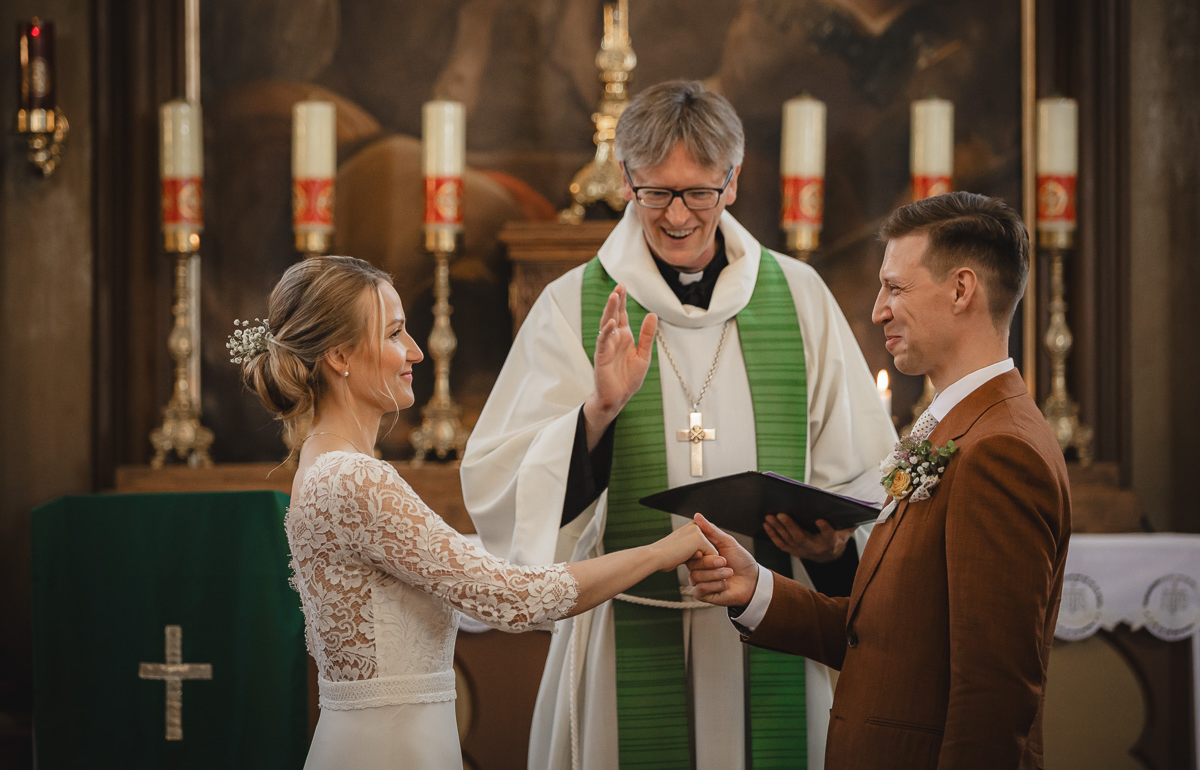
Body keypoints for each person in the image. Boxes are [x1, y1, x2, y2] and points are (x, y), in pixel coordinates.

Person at [461, 79, 896, 769]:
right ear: (625, 179)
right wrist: (596, 415)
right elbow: (504, 487)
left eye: (698, 192)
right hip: (627, 634)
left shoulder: (799, 297)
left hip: (774, 632)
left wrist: (830, 548)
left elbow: (868, 473)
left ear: (733, 181)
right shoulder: (571, 305)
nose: (676, 215)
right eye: (655, 192)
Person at [231, 255, 719, 770]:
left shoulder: (326, 465)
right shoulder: (353, 479)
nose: (416, 350)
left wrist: (598, 410)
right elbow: (515, 600)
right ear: (339, 356)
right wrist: (663, 551)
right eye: (395, 333)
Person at [688, 191, 1072, 770]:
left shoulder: (1001, 451)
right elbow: (887, 639)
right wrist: (756, 588)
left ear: (961, 290)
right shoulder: (954, 427)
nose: (877, 311)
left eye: (895, 287)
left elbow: (994, 698)